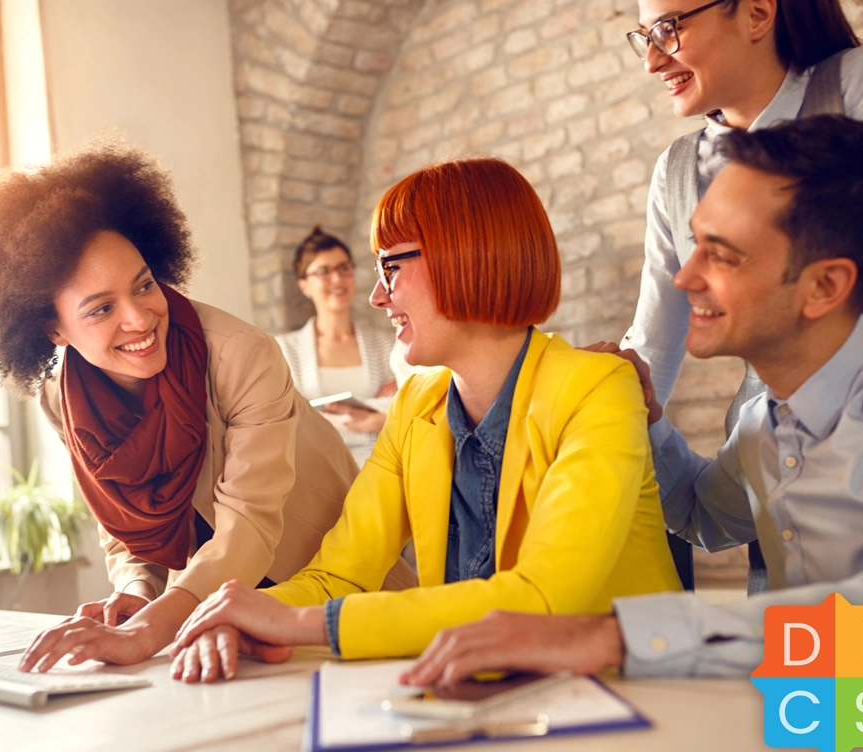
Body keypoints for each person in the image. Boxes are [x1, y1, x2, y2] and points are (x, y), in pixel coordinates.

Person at [402, 117, 863, 687]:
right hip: (832, 726)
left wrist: (610, 635)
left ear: (823, 287)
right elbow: (703, 516)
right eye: (695, 245)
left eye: (721, 255)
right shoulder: (763, 424)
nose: (686, 276)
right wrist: (647, 421)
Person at [166, 157, 684, 683]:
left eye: (391, 266)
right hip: (486, 701)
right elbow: (337, 573)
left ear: (466, 258)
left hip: (627, 705)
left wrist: (296, 622)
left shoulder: (598, 388)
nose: (376, 295)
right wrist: (235, 617)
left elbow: (541, 598)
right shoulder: (417, 405)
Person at [0, 143, 415, 672]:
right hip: (203, 611)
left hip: (326, 599)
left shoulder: (243, 354)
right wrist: (137, 590)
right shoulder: (62, 400)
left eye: (144, 284)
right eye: (101, 308)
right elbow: (124, 518)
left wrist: (151, 628)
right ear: (54, 330)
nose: (140, 318)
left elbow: (250, 522)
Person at [622, 0, 863, 590]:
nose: (652, 58)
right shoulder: (762, 434)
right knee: (809, 657)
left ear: (756, 14)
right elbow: (651, 351)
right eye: (644, 35)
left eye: (670, 29)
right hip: (781, 502)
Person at [276, 227, 397, 466]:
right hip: (317, 471)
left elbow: (410, 407)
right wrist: (380, 413)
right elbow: (287, 420)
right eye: (323, 271)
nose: (337, 279)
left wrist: (378, 419)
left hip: (381, 466)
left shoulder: (388, 344)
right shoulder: (284, 350)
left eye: (344, 268)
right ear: (304, 286)